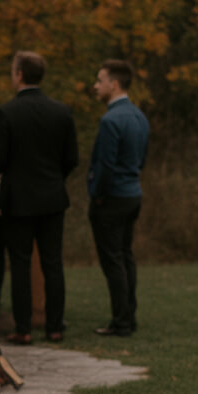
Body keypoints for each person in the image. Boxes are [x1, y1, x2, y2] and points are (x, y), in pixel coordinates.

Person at [0, 51, 79, 344]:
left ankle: (23, 328)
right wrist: (53, 179)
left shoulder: (8, 112)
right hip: (52, 198)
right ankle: (54, 327)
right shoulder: (61, 111)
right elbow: (72, 158)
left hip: (19, 201)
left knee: (20, 264)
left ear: (20, 75)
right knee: (53, 262)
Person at [87, 59, 149, 338]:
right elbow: (142, 159)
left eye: (100, 80)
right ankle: (128, 316)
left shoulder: (111, 120)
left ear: (114, 84)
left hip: (112, 198)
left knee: (113, 260)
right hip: (133, 193)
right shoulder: (139, 116)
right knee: (125, 257)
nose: (95, 86)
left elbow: (105, 166)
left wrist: (97, 196)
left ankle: (121, 321)